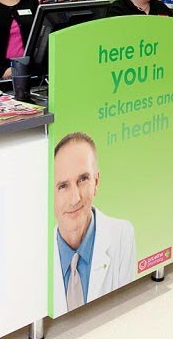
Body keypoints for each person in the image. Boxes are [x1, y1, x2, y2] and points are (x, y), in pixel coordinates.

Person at [51, 132, 136, 315]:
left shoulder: (122, 235)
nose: (75, 198)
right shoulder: (36, 253)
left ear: (96, 182)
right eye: (63, 186)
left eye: (83, 179)